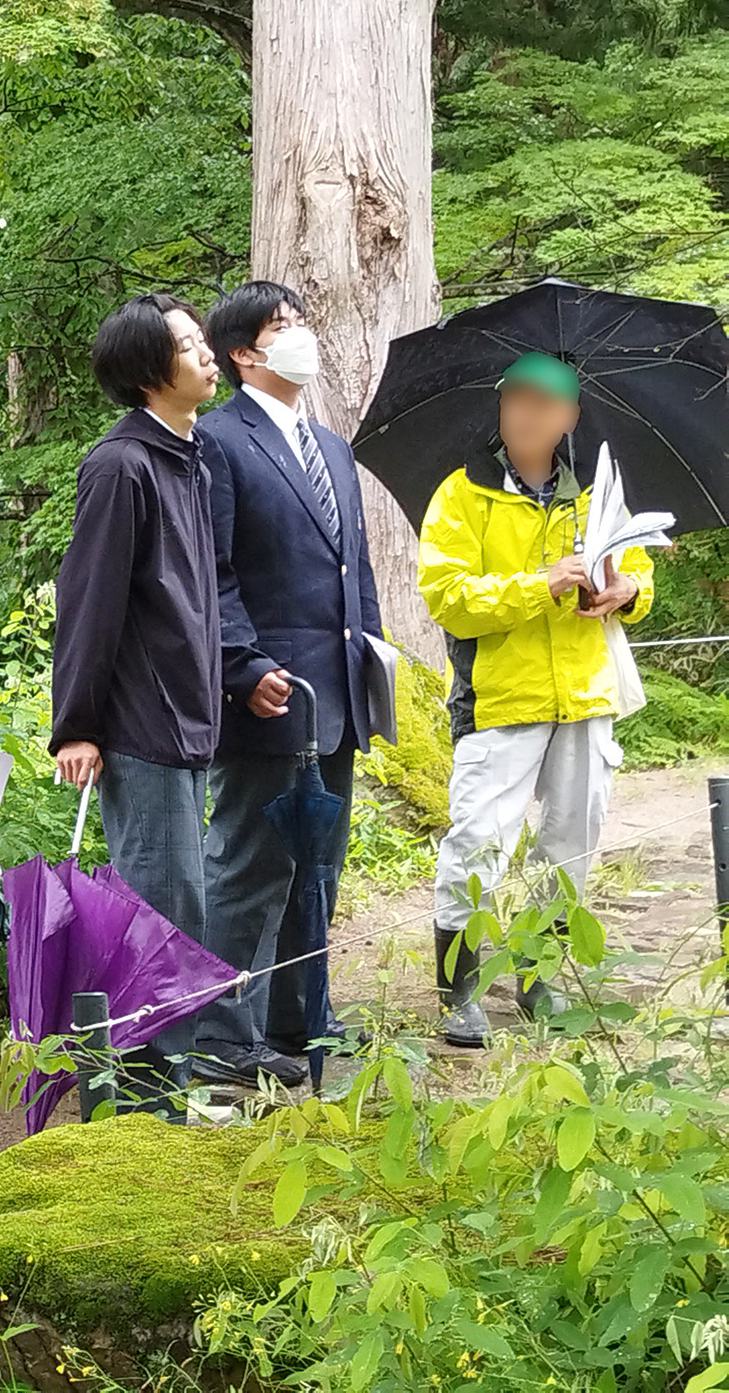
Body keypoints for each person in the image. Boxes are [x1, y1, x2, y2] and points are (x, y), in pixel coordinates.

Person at [417, 350, 653, 1046]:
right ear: (499, 405)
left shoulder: (597, 493)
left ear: (571, 415)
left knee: (571, 842)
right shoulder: (462, 494)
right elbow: (449, 599)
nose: (527, 413)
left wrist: (626, 591)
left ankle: (539, 973)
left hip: (585, 696)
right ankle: (459, 988)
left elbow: (638, 569)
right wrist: (539, 584)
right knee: (477, 841)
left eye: (545, 403)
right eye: (515, 398)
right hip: (499, 698)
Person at [189, 282, 386, 1088]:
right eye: (284, 326)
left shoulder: (331, 446)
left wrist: (373, 660)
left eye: (302, 321)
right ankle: (220, 1033)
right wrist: (242, 667)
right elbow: (212, 572)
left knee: (319, 864)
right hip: (265, 693)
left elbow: (354, 568)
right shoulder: (217, 441)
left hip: (336, 693)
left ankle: (299, 1015)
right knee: (250, 865)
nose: (303, 335)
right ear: (243, 352)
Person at [49, 293, 222, 1118]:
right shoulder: (120, 465)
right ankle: (149, 1105)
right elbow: (89, 599)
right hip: (142, 724)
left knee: (181, 906)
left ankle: (165, 1094)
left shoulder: (188, 458)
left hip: (190, 721)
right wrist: (77, 725)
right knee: (159, 912)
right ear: (150, 369)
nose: (208, 353)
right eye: (188, 345)